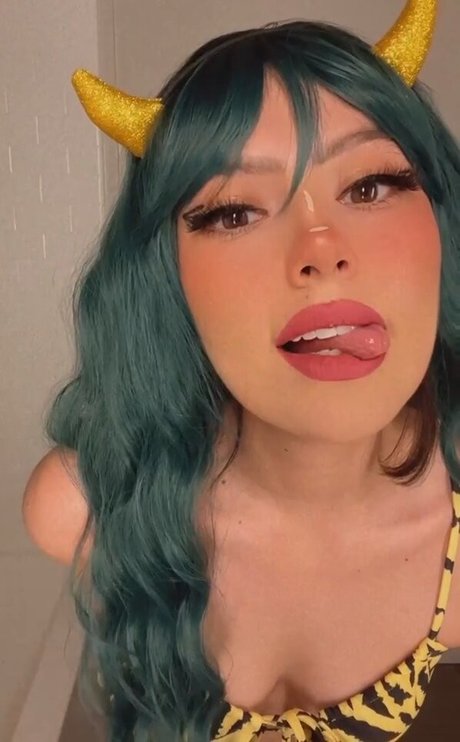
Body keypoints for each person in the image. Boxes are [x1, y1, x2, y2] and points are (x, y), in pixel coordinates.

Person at [22, 1, 460, 740]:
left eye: (370, 186)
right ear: (166, 276)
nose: (320, 249)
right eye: (233, 213)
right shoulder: (89, 507)